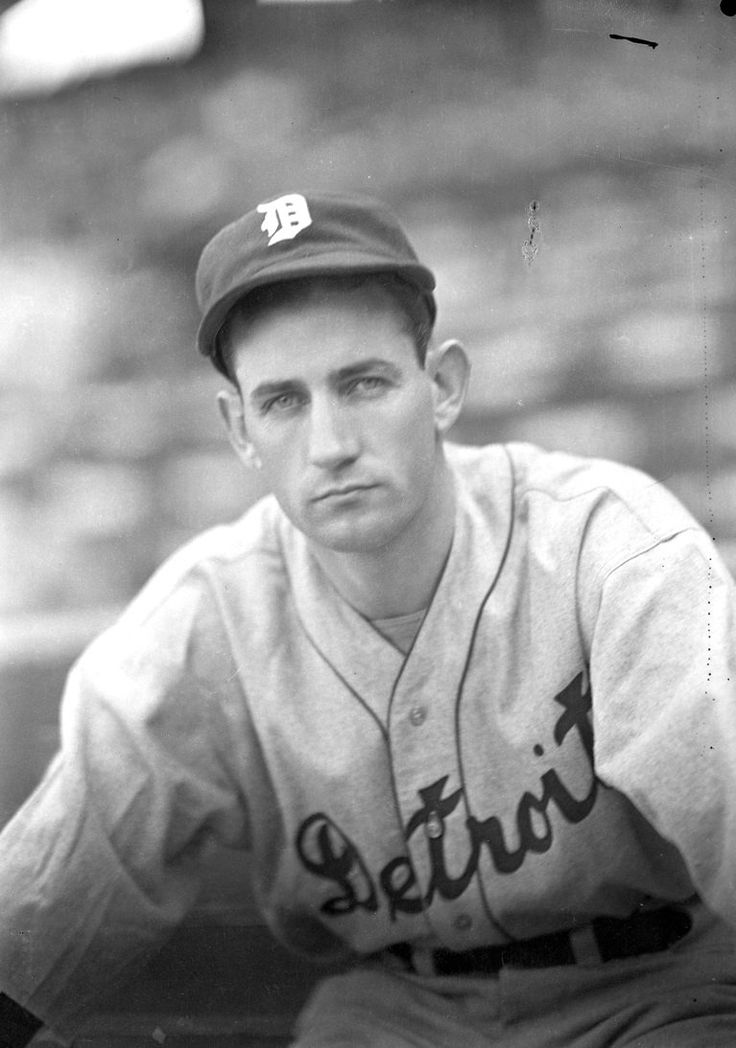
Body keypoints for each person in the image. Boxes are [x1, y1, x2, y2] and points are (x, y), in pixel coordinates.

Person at [1, 190, 735, 1048]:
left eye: (364, 382)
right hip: (398, 1016)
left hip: (653, 992)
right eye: (283, 401)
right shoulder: (204, 619)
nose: (330, 444)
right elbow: (42, 917)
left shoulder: (609, 547)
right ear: (239, 428)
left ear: (443, 387)